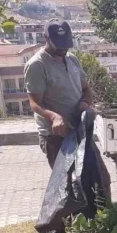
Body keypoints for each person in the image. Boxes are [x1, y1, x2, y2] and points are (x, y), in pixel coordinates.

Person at [25, 19, 93, 169]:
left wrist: (85, 103)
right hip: (55, 136)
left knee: (94, 179)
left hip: (78, 129)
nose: (63, 49)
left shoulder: (72, 59)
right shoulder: (37, 65)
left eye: (66, 44)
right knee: (65, 185)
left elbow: (86, 89)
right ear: (46, 38)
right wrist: (54, 117)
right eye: (59, 44)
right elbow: (35, 103)